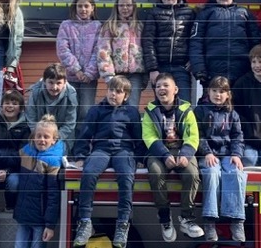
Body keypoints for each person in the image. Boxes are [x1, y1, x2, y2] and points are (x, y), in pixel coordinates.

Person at [72, 76, 146, 248]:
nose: (113, 94)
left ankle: (122, 224)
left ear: (126, 96)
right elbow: (85, 134)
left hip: (123, 150)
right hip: (101, 149)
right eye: (111, 90)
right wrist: (81, 156)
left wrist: (141, 158)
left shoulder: (132, 112)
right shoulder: (96, 110)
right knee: (89, 173)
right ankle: (84, 222)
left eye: (118, 92)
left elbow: (139, 138)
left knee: (127, 176)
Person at [142, 73, 204, 242]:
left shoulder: (187, 109)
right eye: (158, 86)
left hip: (182, 149)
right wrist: (164, 155)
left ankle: (187, 218)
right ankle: (164, 217)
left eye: (165, 85)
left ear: (175, 90)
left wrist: (185, 155)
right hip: (159, 151)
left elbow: (193, 136)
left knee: (191, 174)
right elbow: (149, 137)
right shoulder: (150, 111)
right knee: (155, 172)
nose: (161, 89)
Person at [194, 76, 246, 243]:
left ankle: (236, 220)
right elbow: (198, 135)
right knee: (212, 173)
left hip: (227, 153)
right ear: (208, 92)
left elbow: (238, 137)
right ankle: (210, 221)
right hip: (208, 154)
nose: (218, 94)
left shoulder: (233, 114)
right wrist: (206, 152)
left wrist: (236, 155)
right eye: (214, 91)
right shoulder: (200, 111)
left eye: (222, 91)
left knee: (235, 173)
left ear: (228, 94)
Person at [190, 0, 261, 87]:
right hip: (213, 73)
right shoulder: (205, 14)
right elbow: (196, 43)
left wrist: (255, 68)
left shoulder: (245, 13)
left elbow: (256, 44)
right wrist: (199, 69)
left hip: (242, 73)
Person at [141, 0, 197, 102]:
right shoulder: (153, 13)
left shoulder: (189, 13)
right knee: (163, 106)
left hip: (182, 68)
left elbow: (194, 40)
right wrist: (153, 69)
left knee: (183, 105)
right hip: (160, 68)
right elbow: (148, 42)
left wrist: (192, 60)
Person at [13, 114, 65, 248]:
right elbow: (11, 157)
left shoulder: (53, 161)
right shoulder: (27, 151)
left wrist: (50, 225)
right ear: (33, 137)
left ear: (54, 140)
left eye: (46, 137)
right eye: (39, 136)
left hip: (40, 220)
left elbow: (53, 196)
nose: (42, 140)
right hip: (23, 216)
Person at [57, 0, 101, 137]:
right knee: (70, 111)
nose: (83, 9)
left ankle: (82, 146)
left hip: (89, 79)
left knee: (85, 111)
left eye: (86, 6)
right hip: (70, 77)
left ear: (92, 8)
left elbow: (99, 50)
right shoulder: (66, 25)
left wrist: (89, 73)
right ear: (75, 8)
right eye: (80, 6)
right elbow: (63, 49)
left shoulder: (97, 26)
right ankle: (68, 145)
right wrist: (76, 70)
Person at [97, 0, 147, 108]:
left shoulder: (140, 26)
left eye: (128, 5)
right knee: (115, 105)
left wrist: (146, 76)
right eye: (121, 5)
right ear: (117, 7)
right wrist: (108, 75)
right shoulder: (110, 26)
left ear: (133, 7)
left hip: (136, 75)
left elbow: (145, 50)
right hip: (116, 74)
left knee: (132, 107)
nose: (125, 8)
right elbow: (103, 51)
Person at [24, 63, 78, 152]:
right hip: (38, 136)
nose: (54, 87)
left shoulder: (71, 94)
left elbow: (70, 123)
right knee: (30, 153)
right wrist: (40, 137)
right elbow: (31, 117)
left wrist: (53, 138)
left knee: (52, 155)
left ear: (64, 82)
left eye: (59, 83)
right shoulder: (35, 92)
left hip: (62, 137)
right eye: (51, 82)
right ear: (44, 81)